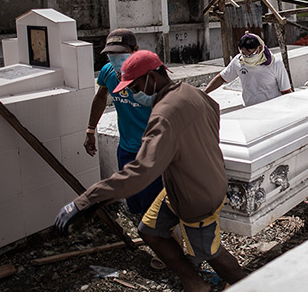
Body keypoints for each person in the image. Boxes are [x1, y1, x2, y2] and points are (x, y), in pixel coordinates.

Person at [55, 50, 247, 291]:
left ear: (153, 78)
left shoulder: (164, 115)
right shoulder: (192, 92)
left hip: (196, 196)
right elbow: (212, 116)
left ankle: (249, 285)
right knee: (150, 230)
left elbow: (140, 172)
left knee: (211, 253)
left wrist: (86, 201)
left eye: (135, 87)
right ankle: (195, 284)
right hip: (190, 183)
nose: (134, 93)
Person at [83, 29, 162, 215]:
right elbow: (101, 96)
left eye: (120, 53)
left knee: (155, 209)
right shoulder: (108, 72)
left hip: (153, 151)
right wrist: (90, 129)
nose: (115, 58)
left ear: (135, 50)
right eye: (111, 53)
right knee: (134, 203)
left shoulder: (152, 76)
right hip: (127, 149)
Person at [203, 32, 292, 106]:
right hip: (249, 109)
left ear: (259, 48)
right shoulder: (238, 61)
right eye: (244, 54)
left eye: (250, 54)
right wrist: (204, 93)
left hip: (272, 108)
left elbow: (286, 91)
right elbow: (222, 78)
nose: (247, 57)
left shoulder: (275, 63)